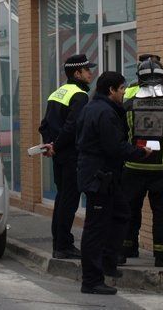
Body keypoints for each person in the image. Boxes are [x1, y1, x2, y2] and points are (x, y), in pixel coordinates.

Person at [76, 71, 151, 295]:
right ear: (111, 90)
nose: (124, 93)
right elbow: (114, 147)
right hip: (99, 177)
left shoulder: (95, 108)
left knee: (121, 214)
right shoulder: (103, 113)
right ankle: (91, 280)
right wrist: (140, 152)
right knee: (95, 228)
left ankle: (108, 262)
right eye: (121, 89)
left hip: (105, 175)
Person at [120, 59, 163, 267]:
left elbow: (120, 137)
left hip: (133, 168)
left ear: (139, 79)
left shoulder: (127, 105)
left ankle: (126, 249)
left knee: (129, 210)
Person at [38, 54, 95, 259]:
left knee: (62, 199)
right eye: (87, 70)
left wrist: (50, 145)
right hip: (70, 155)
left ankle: (59, 243)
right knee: (69, 201)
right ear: (77, 73)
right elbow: (73, 127)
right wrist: (57, 145)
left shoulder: (57, 93)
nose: (91, 73)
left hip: (58, 155)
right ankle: (63, 245)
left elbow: (44, 125)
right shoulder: (79, 95)